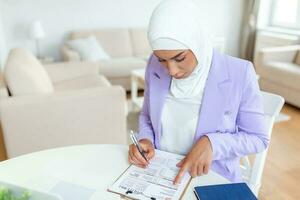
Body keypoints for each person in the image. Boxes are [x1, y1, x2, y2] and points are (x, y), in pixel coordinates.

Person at [128, 0, 268, 185]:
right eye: (162, 59)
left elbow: (258, 138)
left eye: (180, 58)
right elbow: (146, 115)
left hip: (211, 179)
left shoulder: (239, 73)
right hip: (160, 175)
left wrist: (213, 143)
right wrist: (145, 140)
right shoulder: (153, 65)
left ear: (198, 42)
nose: (171, 70)